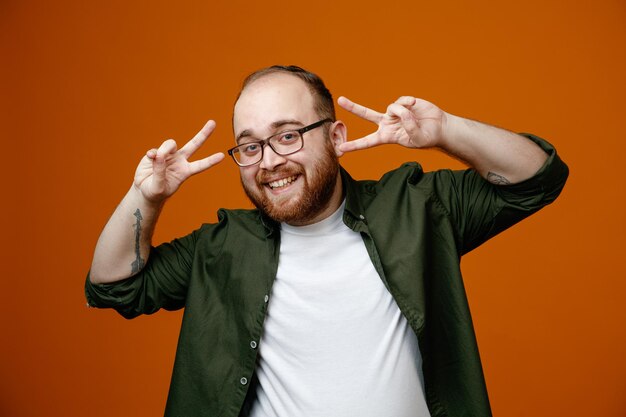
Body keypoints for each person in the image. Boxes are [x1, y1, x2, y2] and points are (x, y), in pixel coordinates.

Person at [85, 65, 569, 417]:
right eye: (250, 145)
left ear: (336, 136)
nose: (269, 160)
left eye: (288, 135)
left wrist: (446, 131)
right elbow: (112, 286)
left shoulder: (416, 208)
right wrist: (144, 197)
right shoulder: (221, 247)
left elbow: (538, 179)